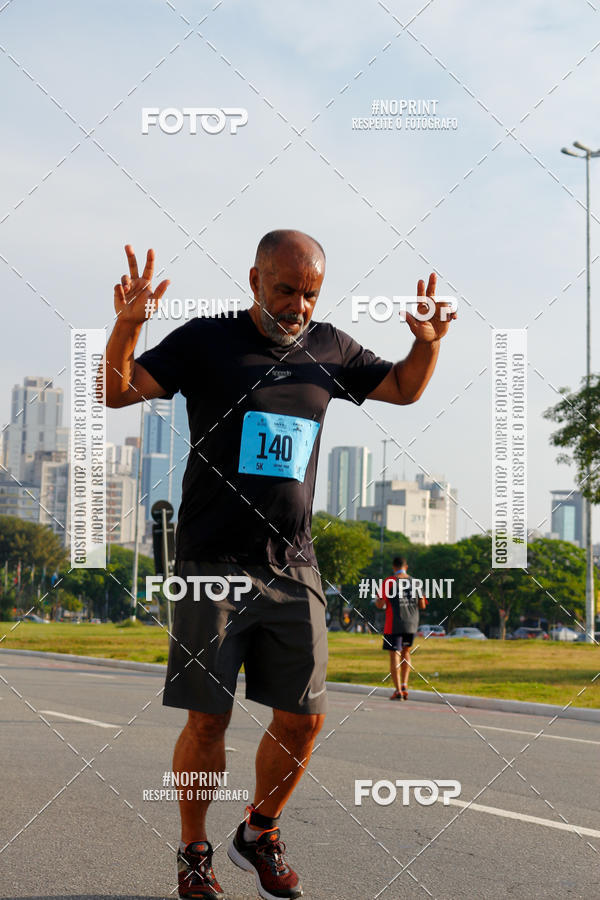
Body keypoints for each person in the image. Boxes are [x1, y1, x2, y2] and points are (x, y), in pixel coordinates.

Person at [103, 230, 455, 899]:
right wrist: (126, 330)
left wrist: (428, 345)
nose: (298, 305)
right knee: (208, 718)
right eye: (286, 289)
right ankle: (194, 851)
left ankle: (258, 831)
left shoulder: (330, 347)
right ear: (256, 279)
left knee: (305, 717)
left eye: (311, 293)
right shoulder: (206, 341)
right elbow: (119, 393)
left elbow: (405, 389)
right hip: (211, 563)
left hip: (294, 566)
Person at [376, 557, 427, 700]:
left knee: (395, 656)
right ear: (406, 566)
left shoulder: (389, 581)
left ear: (394, 567)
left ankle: (398, 691)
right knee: (406, 653)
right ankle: (404, 685)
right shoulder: (416, 582)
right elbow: (422, 605)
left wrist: (379, 601)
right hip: (411, 624)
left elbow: (380, 604)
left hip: (394, 624)